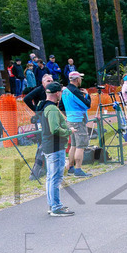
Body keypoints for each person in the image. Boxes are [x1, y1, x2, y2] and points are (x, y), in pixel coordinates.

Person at [40, 82, 73, 216]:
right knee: (55, 178)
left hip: (49, 146)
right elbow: (54, 129)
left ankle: (52, 204)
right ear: (57, 93)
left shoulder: (44, 106)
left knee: (50, 178)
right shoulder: (52, 109)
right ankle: (56, 207)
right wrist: (68, 131)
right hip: (55, 147)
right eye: (60, 92)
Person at [62, 72, 93, 177]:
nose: (81, 80)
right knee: (81, 146)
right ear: (77, 79)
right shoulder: (75, 91)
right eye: (80, 78)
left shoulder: (65, 90)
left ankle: (70, 167)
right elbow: (87, 105)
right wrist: (87, 95)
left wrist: (68, 115)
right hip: (78, 120)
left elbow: (61, 106)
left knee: (73, 145)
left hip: (70, 120)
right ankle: (78, 169)